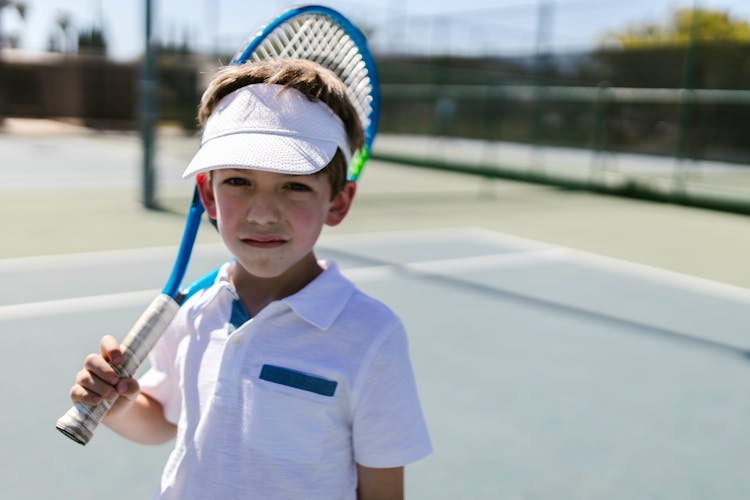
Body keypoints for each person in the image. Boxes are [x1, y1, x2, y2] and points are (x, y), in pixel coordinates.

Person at [66, 58, 432, 499]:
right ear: (208, 194)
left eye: (295, 185)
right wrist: (119, 405)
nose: (262, 213)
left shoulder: (373, 336)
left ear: (338, 201)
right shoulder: (192, 312)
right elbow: (164, 421)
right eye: (239, 181)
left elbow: (382, 491)